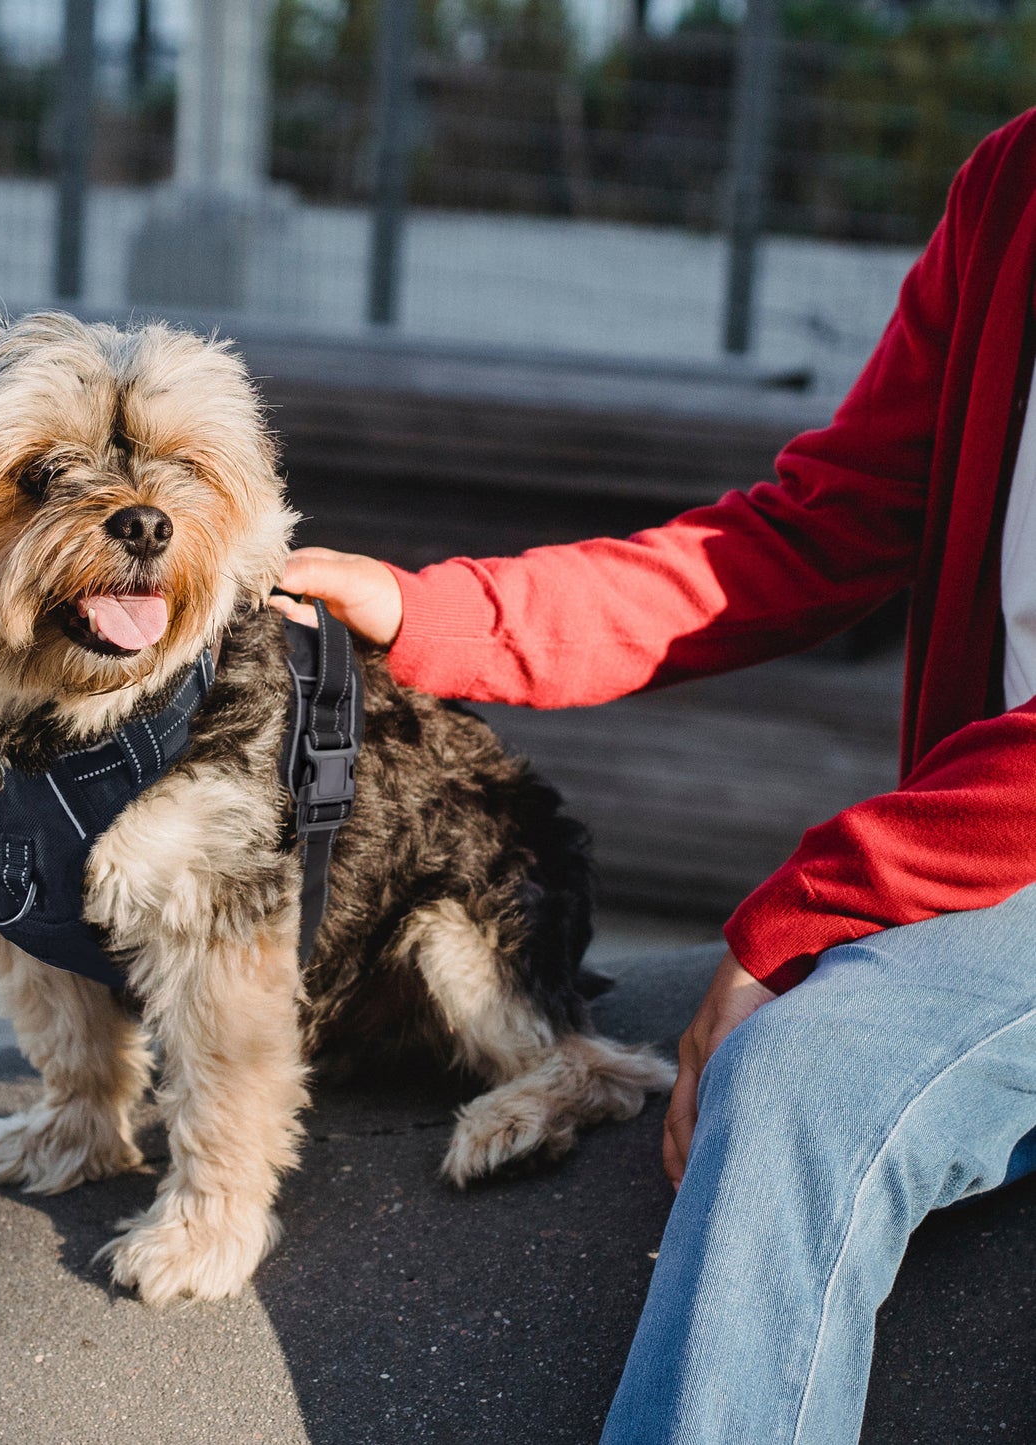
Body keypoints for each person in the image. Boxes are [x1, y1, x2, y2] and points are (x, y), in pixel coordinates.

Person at [269, 110, 1036, 1443]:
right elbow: (807, 532)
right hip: (1004, 856)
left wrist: (819, 901)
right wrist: (431, 612)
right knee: (804, 1071)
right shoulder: (1013, 182)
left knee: (808, 1071)